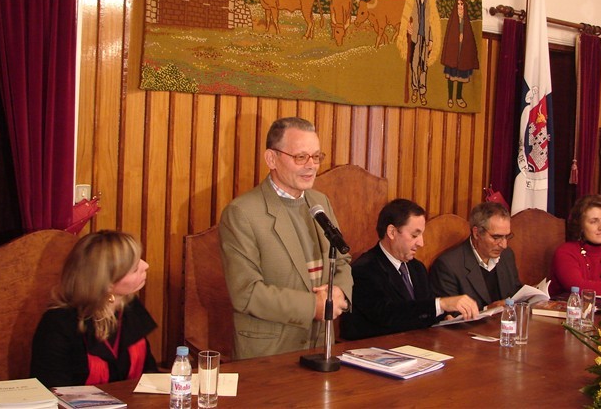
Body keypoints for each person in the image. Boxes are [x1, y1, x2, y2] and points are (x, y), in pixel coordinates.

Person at [219, 117, 353, 360]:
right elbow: (246, 293)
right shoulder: (243, 213)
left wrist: (340, 293)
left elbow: (341, 260)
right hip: (270, 353)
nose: (311, 166)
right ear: (271, 158)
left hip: (321, 345)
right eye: (300, 157)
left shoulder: (320, 202)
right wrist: (314, 307)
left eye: (316, 156)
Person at [31, 230, 157, 387]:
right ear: (107, 283)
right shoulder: (58, 323)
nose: (146, 265)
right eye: (134, 268)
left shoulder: (130, 307)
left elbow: (150, 374)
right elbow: (51, 391)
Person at [340, 199, 479, 341]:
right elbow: (388, 314)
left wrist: (444, 318)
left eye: (421, 235)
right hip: (378, 350)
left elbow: (423, 309)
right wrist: (441, 304)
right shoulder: (364, 269)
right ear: (392, 232)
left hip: (418, 347)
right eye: (414, 235)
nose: (421, 243)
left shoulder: (417, 268)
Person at [429, 202, 523, 310]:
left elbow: (515, 292)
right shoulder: (448, 266)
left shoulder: (507, 255)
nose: (504, 245)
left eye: (507, 236)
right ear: (477, 233)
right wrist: (487, 309)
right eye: (496, 237)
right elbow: (450, 317)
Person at [403, 0, 440, 107]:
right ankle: (414, 90)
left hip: (425, 37)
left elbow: (432, 20)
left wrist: (431, 39)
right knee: (414, 65)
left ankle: (423, 93)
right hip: (414, 37)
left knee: (424, 67)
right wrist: (407, 25)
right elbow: (406, 14)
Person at [440, 0, 479, 109]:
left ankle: (459, 97)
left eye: (462, 4)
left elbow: (470, 39)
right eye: (458, 4)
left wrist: (464, 38)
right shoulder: (453, 20)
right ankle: (450, 98)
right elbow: (448, 37)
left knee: (460, 77)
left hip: (462, 54)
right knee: (451, 76)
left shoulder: (466, 21)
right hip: (454, 54)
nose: (460, 7)